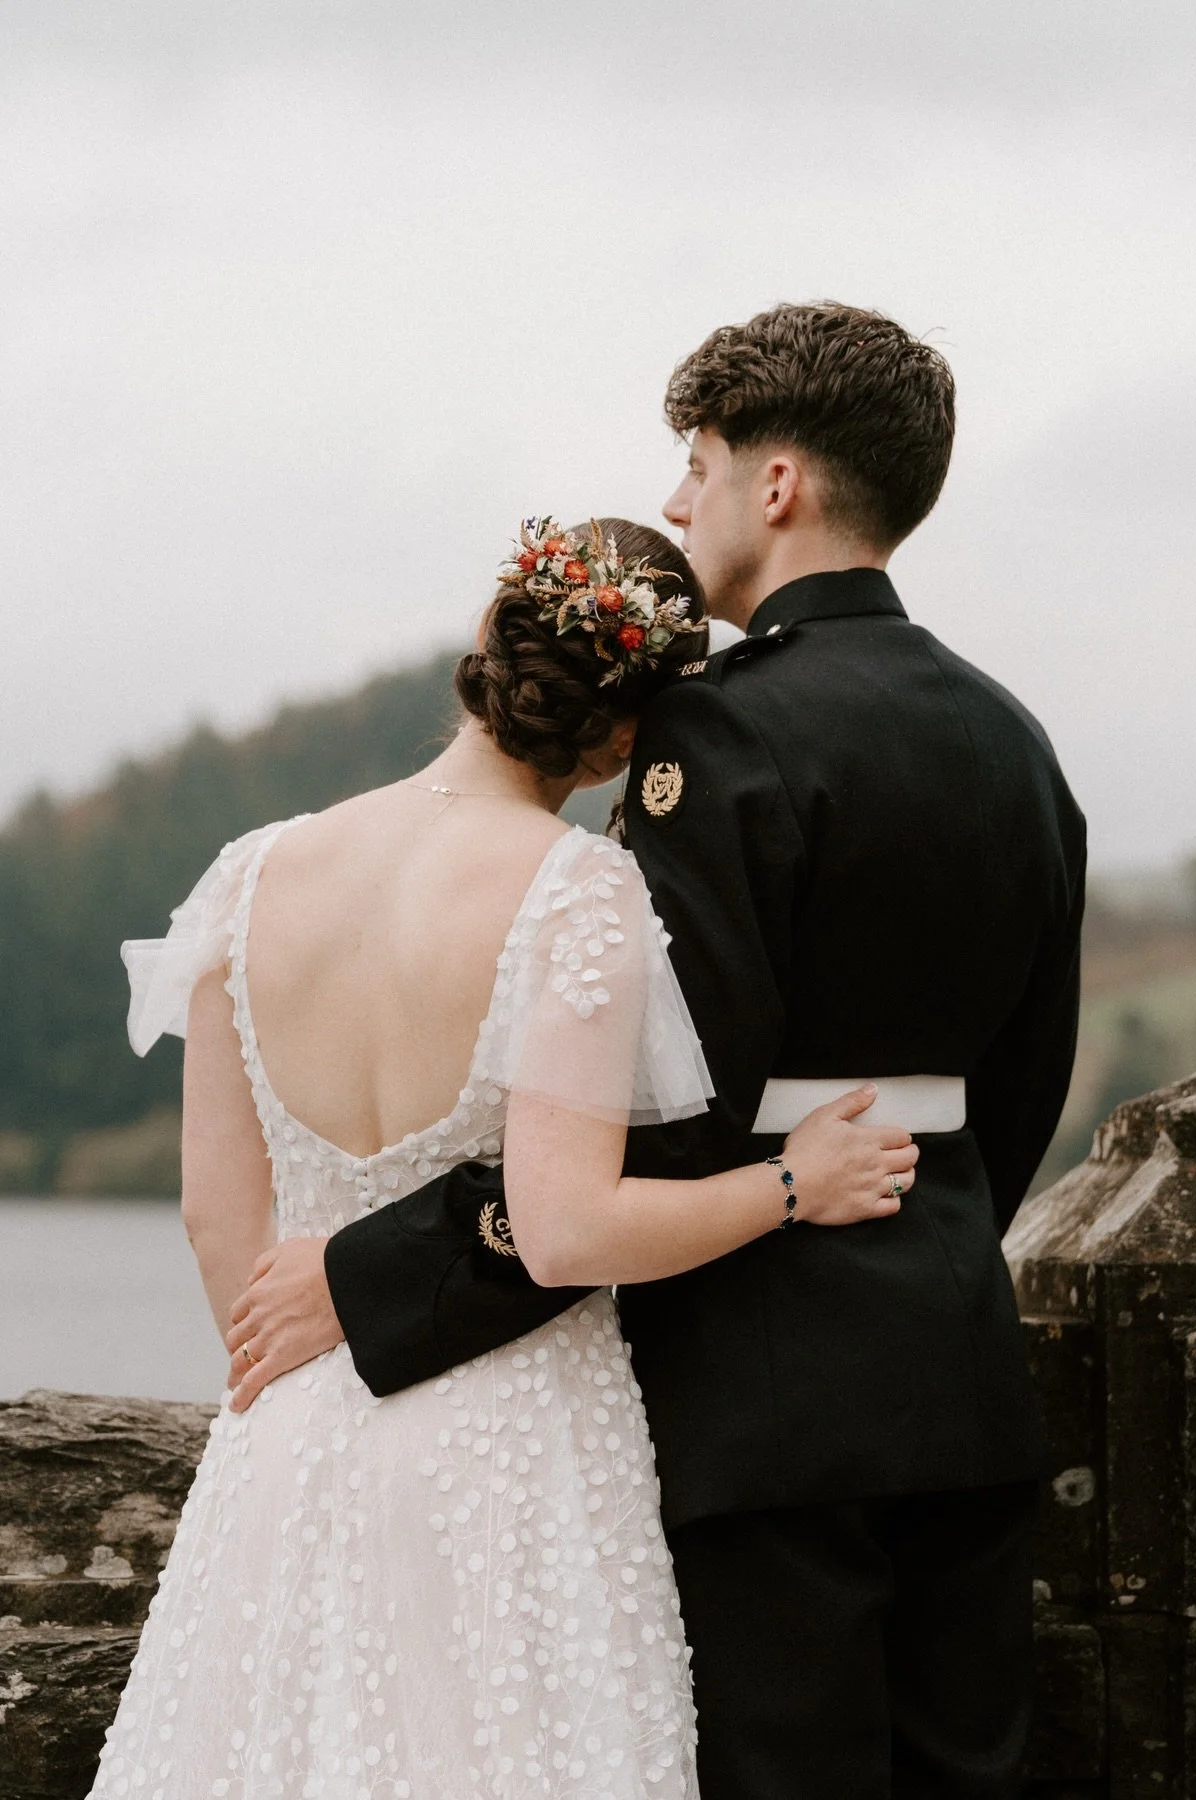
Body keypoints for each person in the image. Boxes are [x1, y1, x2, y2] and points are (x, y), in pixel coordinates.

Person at [231, 304, 1088, 1799]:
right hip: (959, 1367)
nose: (679, 505)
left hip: (763, 1398)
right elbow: (1023, 1083)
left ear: (778, 484)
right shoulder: (1014, 738)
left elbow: (658, 1116)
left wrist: (372, 1272)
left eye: (698, 466)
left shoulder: (723, 734)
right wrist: (933, 1241)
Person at [89, 516, 917, 1799]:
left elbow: (216, 1216)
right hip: (513, 1456)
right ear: (628, 738)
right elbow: (568, 1229)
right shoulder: (578, 892)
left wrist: (281, 1388)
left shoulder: (251, 876)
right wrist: (795, 1184)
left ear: (487, 640)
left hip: (287, 1439)